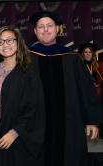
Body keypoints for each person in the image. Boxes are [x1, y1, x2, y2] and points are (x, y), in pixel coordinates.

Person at [29, 11, 102, 166]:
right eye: (41, 27)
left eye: (50, 26)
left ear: (58, 29)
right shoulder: (27, 59)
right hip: (35, 124)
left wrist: (91, 120)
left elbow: (86, 90)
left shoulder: (72, 58)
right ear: (35, 31)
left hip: (70, 122)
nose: (46, 30)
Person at [0, 26, 45, 166]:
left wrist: (15, 132)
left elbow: (33, 108)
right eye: (0, 42)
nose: (5, 45)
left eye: (9, 40)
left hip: (17, 141)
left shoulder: (28, 74)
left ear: (18, 43)